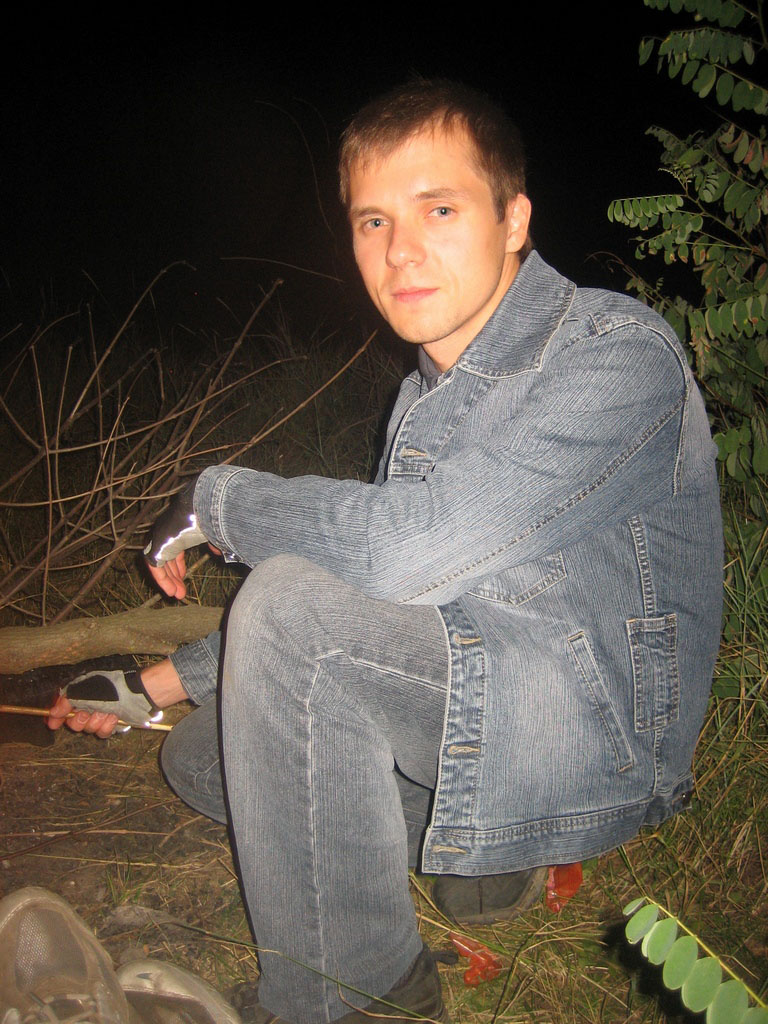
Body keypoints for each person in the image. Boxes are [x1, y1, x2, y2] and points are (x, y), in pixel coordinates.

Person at [48, 78, 723, 1024]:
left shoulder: (616, 354)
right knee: (202, 757)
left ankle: (359, 994)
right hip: (476, 685)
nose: (400, 250)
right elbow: (369, 599)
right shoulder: (423, 399)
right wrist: (152, 687)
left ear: (514, 219)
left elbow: (396, 558)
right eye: (373, 221)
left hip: (594, 733)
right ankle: (491, 849)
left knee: (290, 619)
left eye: (438, 209)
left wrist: (218, 499)